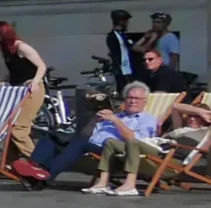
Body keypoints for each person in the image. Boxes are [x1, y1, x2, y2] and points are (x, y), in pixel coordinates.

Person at [13, 82, 159, 194]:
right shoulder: (117, 114)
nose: (133, 101)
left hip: (113, 150)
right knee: (53, 136)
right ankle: (34, 167)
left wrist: (115, 120)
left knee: (79, 142)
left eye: (137, 98)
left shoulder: (147, 119)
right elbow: (89, 132)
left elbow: (133, 140)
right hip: (90, 142)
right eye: (130, 97)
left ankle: (45, 176)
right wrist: (95, 120)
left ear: (145, 101)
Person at [104, 9, 138, 92]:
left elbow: (130, 45)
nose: (127, 24)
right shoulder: (119, 35)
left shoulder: (113, 35)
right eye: (127, 21)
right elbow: (136, 48)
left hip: (121, 70)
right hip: (123, 70)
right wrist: (151, 39)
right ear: (122, 22)